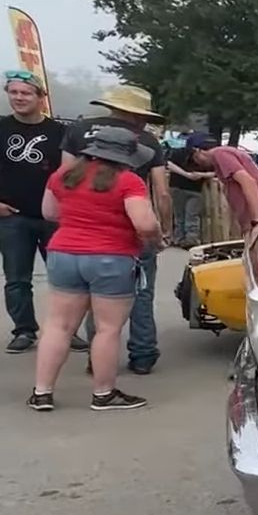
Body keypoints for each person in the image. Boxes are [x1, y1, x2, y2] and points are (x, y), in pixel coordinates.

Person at [31, 126, 164, 412]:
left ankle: (42, 392)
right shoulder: (128, 181)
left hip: (63, 252)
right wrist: (156, 237)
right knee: (107, 329)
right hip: (111, 257)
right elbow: (144, 224)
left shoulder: (63, 174)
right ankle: (103, 393)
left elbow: (49, 213)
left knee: (58, 325)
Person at [61, 86, 168, 375]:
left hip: (81, 231)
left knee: (95, 299)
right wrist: (163, 230)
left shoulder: (78, 130)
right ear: (135, 115)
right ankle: (143, 354)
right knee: (142, 292)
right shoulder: (147, 142)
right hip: (133, 226)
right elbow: (161, 190)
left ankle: (98, 359)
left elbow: (64, 179)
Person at [0, 70, 76, 353]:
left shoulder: (60, 132)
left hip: (54, 218)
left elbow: (72, 173)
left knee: (64, 279)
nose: (19, 98)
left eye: (26, 93)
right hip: (12, 215)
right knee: (17, 278)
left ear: (41, 98)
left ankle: (66, 328)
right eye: (14, 92)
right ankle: (24, 329)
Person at [171, 133, 258, 235]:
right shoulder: (222, 158)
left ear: (198, 151)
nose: (197, 164)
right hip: (252, 220)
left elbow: (249, 182)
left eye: (194, 159)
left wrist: (256, 222)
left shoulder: (221, 155)